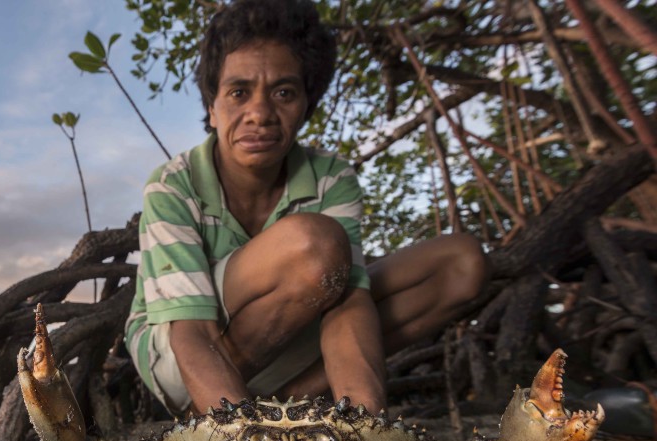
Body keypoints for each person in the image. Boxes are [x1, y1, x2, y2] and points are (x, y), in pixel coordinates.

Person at [124, 0, 488, 416]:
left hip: (282, 347)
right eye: (238, 92)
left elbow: (346, 304)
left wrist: (366, 423)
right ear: (212, 106)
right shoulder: (174, 183)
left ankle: (288, 410)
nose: (259, 113)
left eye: (283, 93)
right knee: (314, 245)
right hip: (179, 353)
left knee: (461, 264)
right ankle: (221, 419)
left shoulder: (331, 177)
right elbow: (190, 330)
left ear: (306, 107)